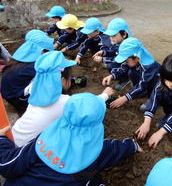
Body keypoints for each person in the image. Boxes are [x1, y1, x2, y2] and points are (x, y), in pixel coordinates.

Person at [0, 92, 142, 185]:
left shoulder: (41, 142)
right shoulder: (94, 154)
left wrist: (2, 140)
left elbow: (7, 165)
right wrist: (131, 145)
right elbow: (111, 150)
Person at [12, 51, 99, 146]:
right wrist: (105, 95)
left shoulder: (35, 91)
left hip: (14, 135)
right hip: (27, 150)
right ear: (63, 80)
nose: (70, 79)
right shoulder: (64, 102)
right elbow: (91, 105)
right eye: (69, 78)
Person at [0, 30, 54, 116]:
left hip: (8, 94)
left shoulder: (19, 61)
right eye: (46, 52)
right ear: (40, 51)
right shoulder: (32, 67)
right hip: (16, 98)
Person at [102, 37, 160, 108]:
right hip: (144, 80)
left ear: (135, 58)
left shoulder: (149, 67)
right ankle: (140, 92)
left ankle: (152, 99)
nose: (125, 62)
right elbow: (123, 67)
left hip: (156, 85)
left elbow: (142, 85)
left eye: (126, 60)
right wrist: (112, 76)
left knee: (154, 86)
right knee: (131, 72)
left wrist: (124, 98)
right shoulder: (135, 58)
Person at [93, 18, 132, 90]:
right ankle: (119, 77)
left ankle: (126, 79)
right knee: (110, 66)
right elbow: (113, 51)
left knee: (129, 71)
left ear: (123, 34)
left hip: (130, 66)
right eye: (110, 36)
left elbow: (121, 62)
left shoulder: (128, 46)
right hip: (123, 63)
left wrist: (103, 59)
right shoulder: (119, 42)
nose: (111, 39)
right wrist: (103, 52)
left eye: (113, 35)